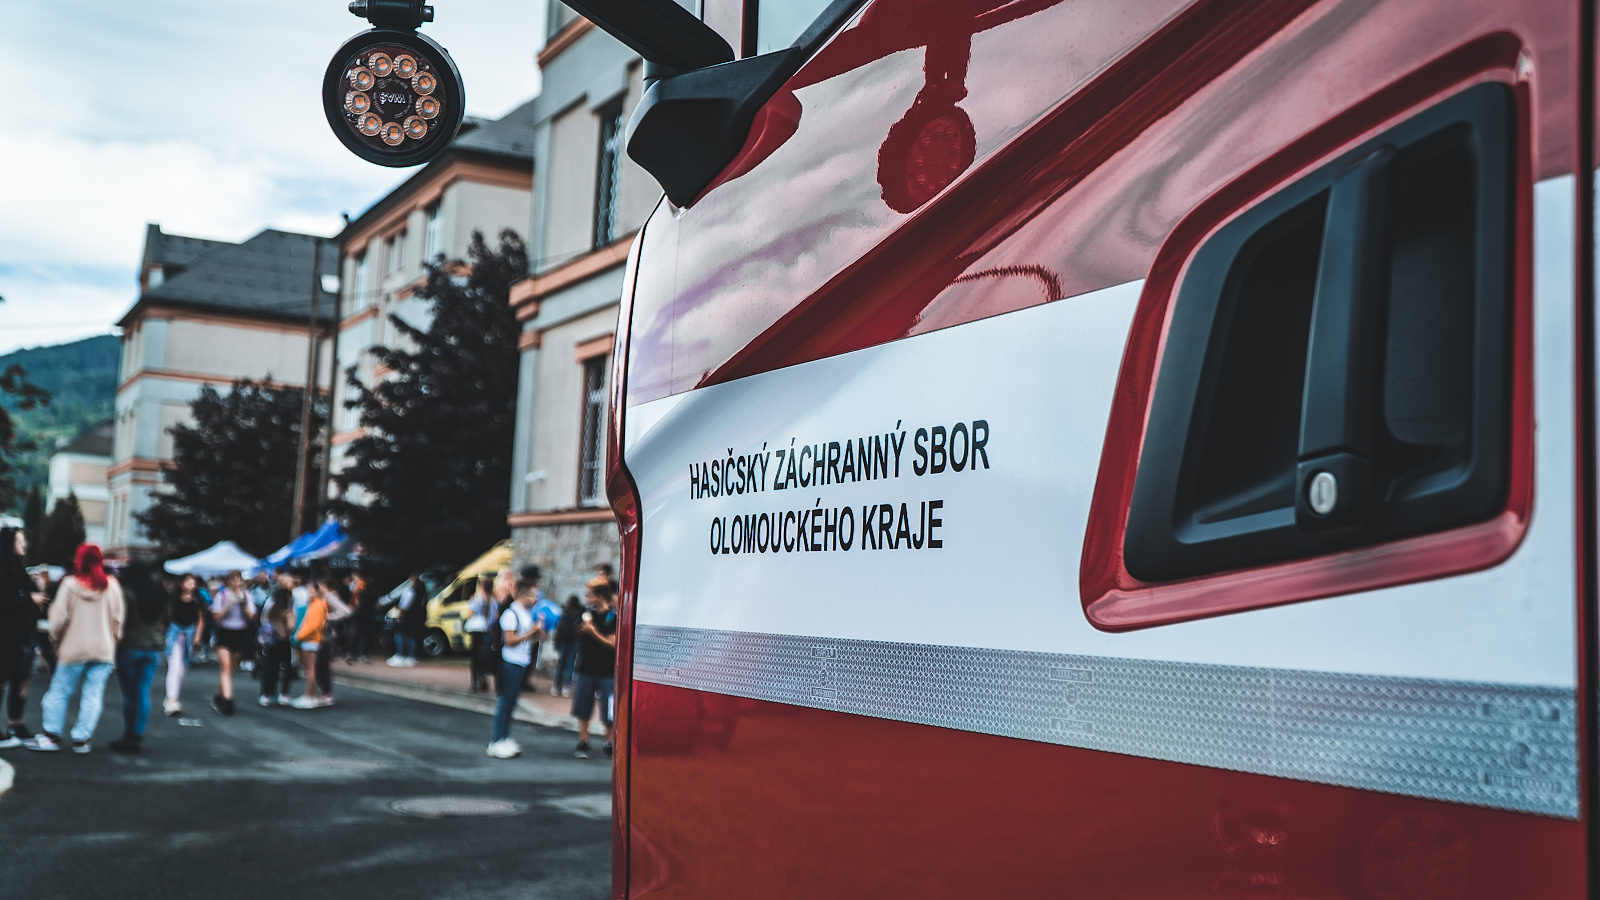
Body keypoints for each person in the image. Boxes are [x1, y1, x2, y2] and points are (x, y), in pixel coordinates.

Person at [24, 544, 125, 753]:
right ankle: (82, 739)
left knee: (59, 693)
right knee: (93, 695)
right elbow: (118, 620)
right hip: (103, 650)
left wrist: (55, 643)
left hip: (73, 649)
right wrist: (113, 640)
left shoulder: (70, 585)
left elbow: (57, 620)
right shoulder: (112, 586)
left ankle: (52, 736)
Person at [109, 562, 167, 753]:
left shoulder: (127, 592)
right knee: (143, 691)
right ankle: (138, 732)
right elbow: (166, 618)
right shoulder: (159, 592)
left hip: (130, 646)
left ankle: (129, 733)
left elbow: (121, 619)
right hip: (152, 647)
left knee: (129, 693)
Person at [487, 576, 544, 759]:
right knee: (505, 702)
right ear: (523, 595)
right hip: (510, 662)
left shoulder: (525, 613)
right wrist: (530, 633)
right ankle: (496, 740)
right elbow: (510, 640)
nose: (535, 598)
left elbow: (528, 639)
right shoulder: (511, 614)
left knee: (511, 702)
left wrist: (537, 633)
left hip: (521, 662)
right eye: (532, 595)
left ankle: (505, 737)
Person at [0, 528, 44, 747]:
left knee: (21, 680)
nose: (23, 544)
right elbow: (5, 601)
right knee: (2, 681)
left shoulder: (18, 569)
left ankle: (15, 723)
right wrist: (29, 598)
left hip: (23, 635)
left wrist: (36, 589)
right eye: (19, 540)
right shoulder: (3, 570)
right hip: (5, 635)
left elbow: (33, 597)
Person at [571, 580, 618, 760]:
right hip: (585, 668)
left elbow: (613, 644)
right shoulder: (586, 614)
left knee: (608, 709)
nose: (587, 599)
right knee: (583, 707)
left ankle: (608, 742)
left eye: (590, 595)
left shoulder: (612, 617)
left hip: (607, 671)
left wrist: (594, 632)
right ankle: (583, 741)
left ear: (600, 596)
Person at [208, 570, 258, 716]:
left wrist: (243, 603)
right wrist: (228, 605)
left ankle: (219, 696)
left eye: (239, 580)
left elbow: (252, 616)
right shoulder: (222, 595)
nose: (237, 583)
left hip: (240, 633)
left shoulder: (247, 595)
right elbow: (216, 616)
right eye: (234, 580)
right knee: (225, 666)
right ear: (229, 581)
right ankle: (228, 700)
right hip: (224, 633)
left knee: (231, 668)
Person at [163, 573, 205, 716]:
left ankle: (173, 698)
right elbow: (166, 617)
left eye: (193, 583)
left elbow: (200, 619)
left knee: (182, 668)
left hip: (188, 636)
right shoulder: (173, 598)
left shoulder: (196, 600)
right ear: (181, 583)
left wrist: (198, 637)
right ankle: (171, 699)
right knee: (174, 667)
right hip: (174, 635)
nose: (191, 585)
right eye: (189, 582)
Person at [291, 575, 332, 709]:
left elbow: (312, 625)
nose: (309, 593)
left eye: (311, 591)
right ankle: (311, 695)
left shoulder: (317, 604)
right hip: (311, 639)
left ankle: (309, 696)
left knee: (310, 669)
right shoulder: (318, 604)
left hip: (310, 640)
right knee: (311, 669)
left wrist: (299, 635)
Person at [258, 586, 297, 705]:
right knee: (285, 669)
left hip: (270, 643)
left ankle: (266, 693)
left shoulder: (271, 610)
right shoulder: (286, 611)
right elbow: (291, 626)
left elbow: (263, 621)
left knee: (270, 669)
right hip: (283, 642)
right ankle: (283, 694)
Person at [465, 574, 495, 693]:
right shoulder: (493, 601)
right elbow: (493, 618)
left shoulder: (476, 599)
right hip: (486, 631)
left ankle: (474, 682)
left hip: (476, 630)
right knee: (484, 656)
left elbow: (469, 613)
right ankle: (483, 680)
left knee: (475, 657)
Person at [388, 573, 425, 667]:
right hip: (416, 618)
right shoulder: (421, 591)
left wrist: (399, 616)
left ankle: (400, 655)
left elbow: (404, 605)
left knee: (400, 635)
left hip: (407, 617)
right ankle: (411, 657)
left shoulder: (410, 591)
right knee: (412, 637)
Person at [551, 595, 583, 698]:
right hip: (570, 641)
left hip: (567, 641)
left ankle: (558, 686)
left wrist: (556, 642)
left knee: (563, 664)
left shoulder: (567, 613)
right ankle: (564, 686)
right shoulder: (575, 613)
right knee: (568, 664)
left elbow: (559, 629)